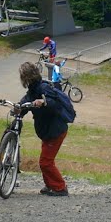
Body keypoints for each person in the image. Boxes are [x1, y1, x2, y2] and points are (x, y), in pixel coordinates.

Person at [17, 61, 69, 197]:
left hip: (55, 131)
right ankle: (50, 185)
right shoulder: (34, 89)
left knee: (45, 162)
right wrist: (18, 109)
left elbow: (53, 102)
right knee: (45, 160)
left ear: (26, 77)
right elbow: (26, 100)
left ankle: (60, 187)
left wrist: (43, 102)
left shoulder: (44, 88)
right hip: (48, 131)